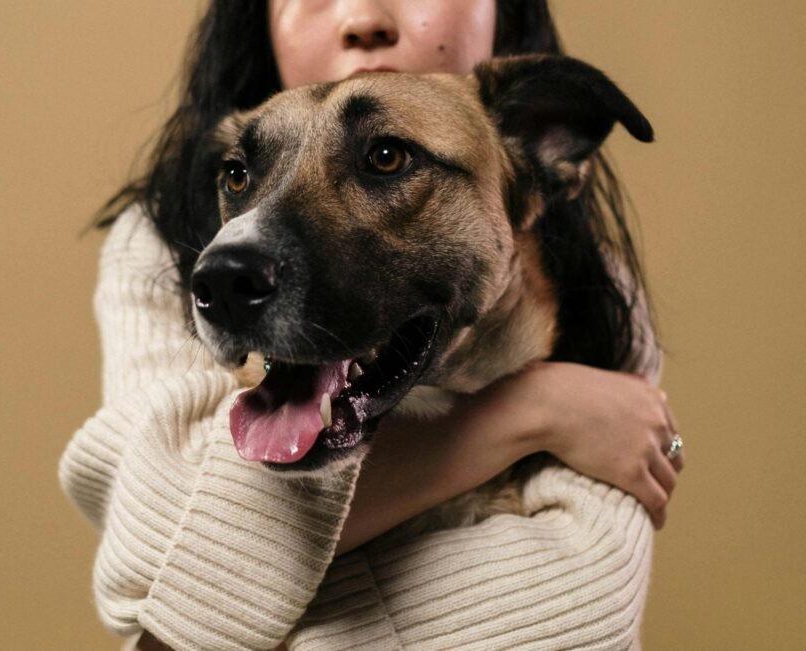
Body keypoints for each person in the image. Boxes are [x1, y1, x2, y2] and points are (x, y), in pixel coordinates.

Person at [59, 1, 684, 649]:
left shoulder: (604, 293)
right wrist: (535, 409)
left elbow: (578, 615)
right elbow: (156, 576)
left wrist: (257, 599)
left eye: (386, 157)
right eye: (242, 175)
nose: (362, 14)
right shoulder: (156, 247)